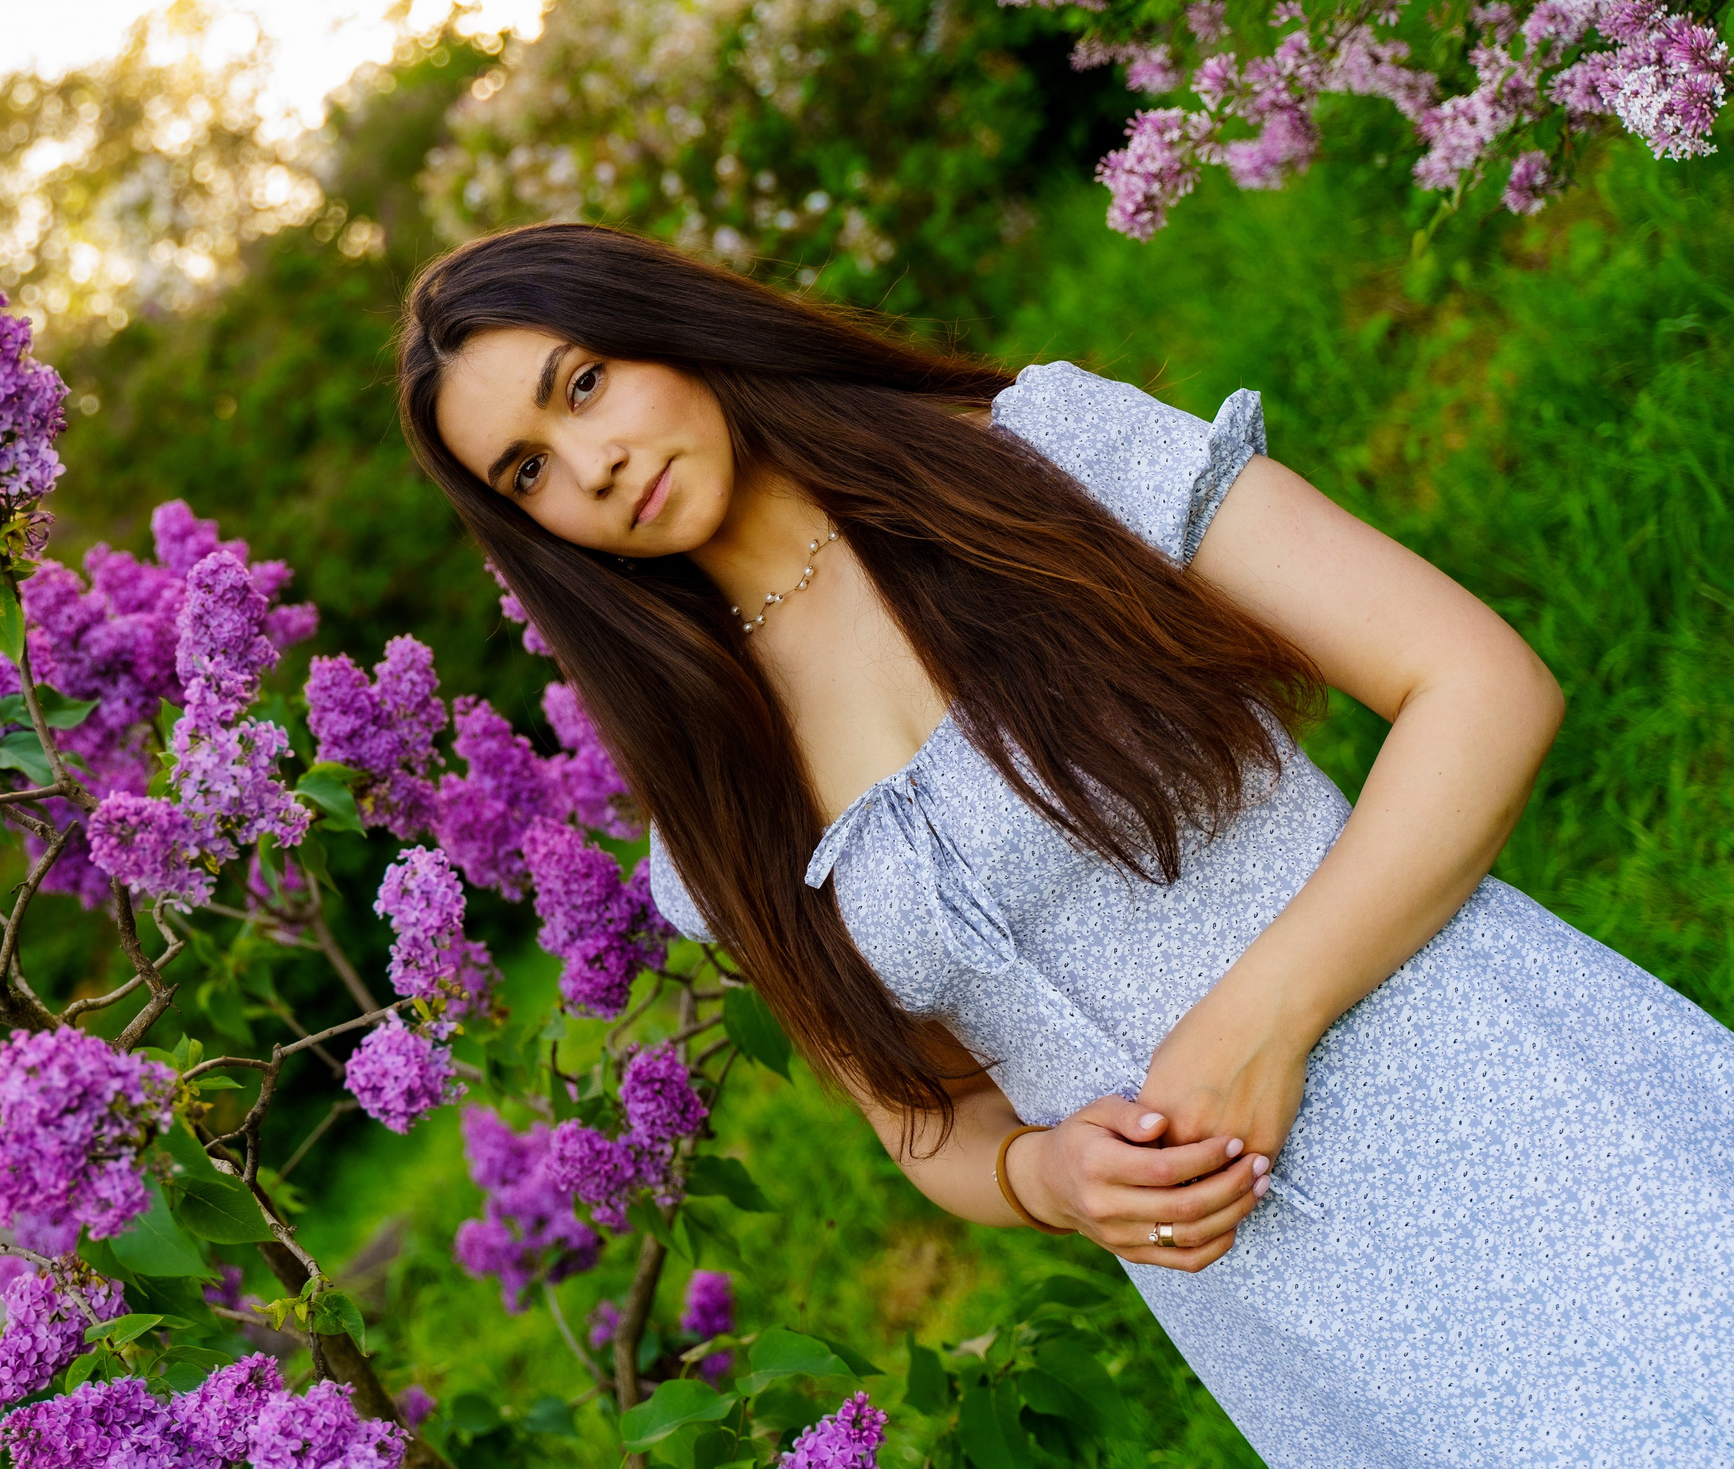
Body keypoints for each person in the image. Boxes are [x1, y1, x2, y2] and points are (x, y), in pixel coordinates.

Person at [397, 222, 1734, 1466]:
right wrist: (1049, 1174)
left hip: (1503, 1104)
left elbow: (1481, 686)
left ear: (666, 323)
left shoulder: (1034, 456)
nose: (592, 466)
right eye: (529, 471)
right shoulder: (710, 811)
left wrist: (1267, 1014)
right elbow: (927, 1127)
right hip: (1283, 1310)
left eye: (581, 386)